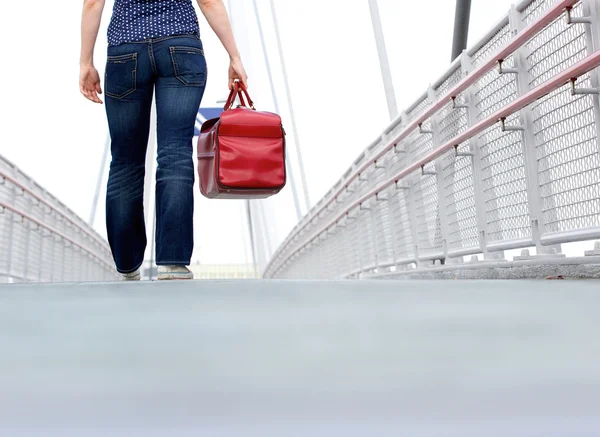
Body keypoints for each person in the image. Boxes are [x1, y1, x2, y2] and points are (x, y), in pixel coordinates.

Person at [79, 0, 247, 281]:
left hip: (125, 49)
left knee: (125, 162)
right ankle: (173, 262)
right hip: (180, 46)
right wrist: (235, 57)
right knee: (175, 153)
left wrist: (86, 62)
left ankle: (128, 265)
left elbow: (93, 3)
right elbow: (208, 1)